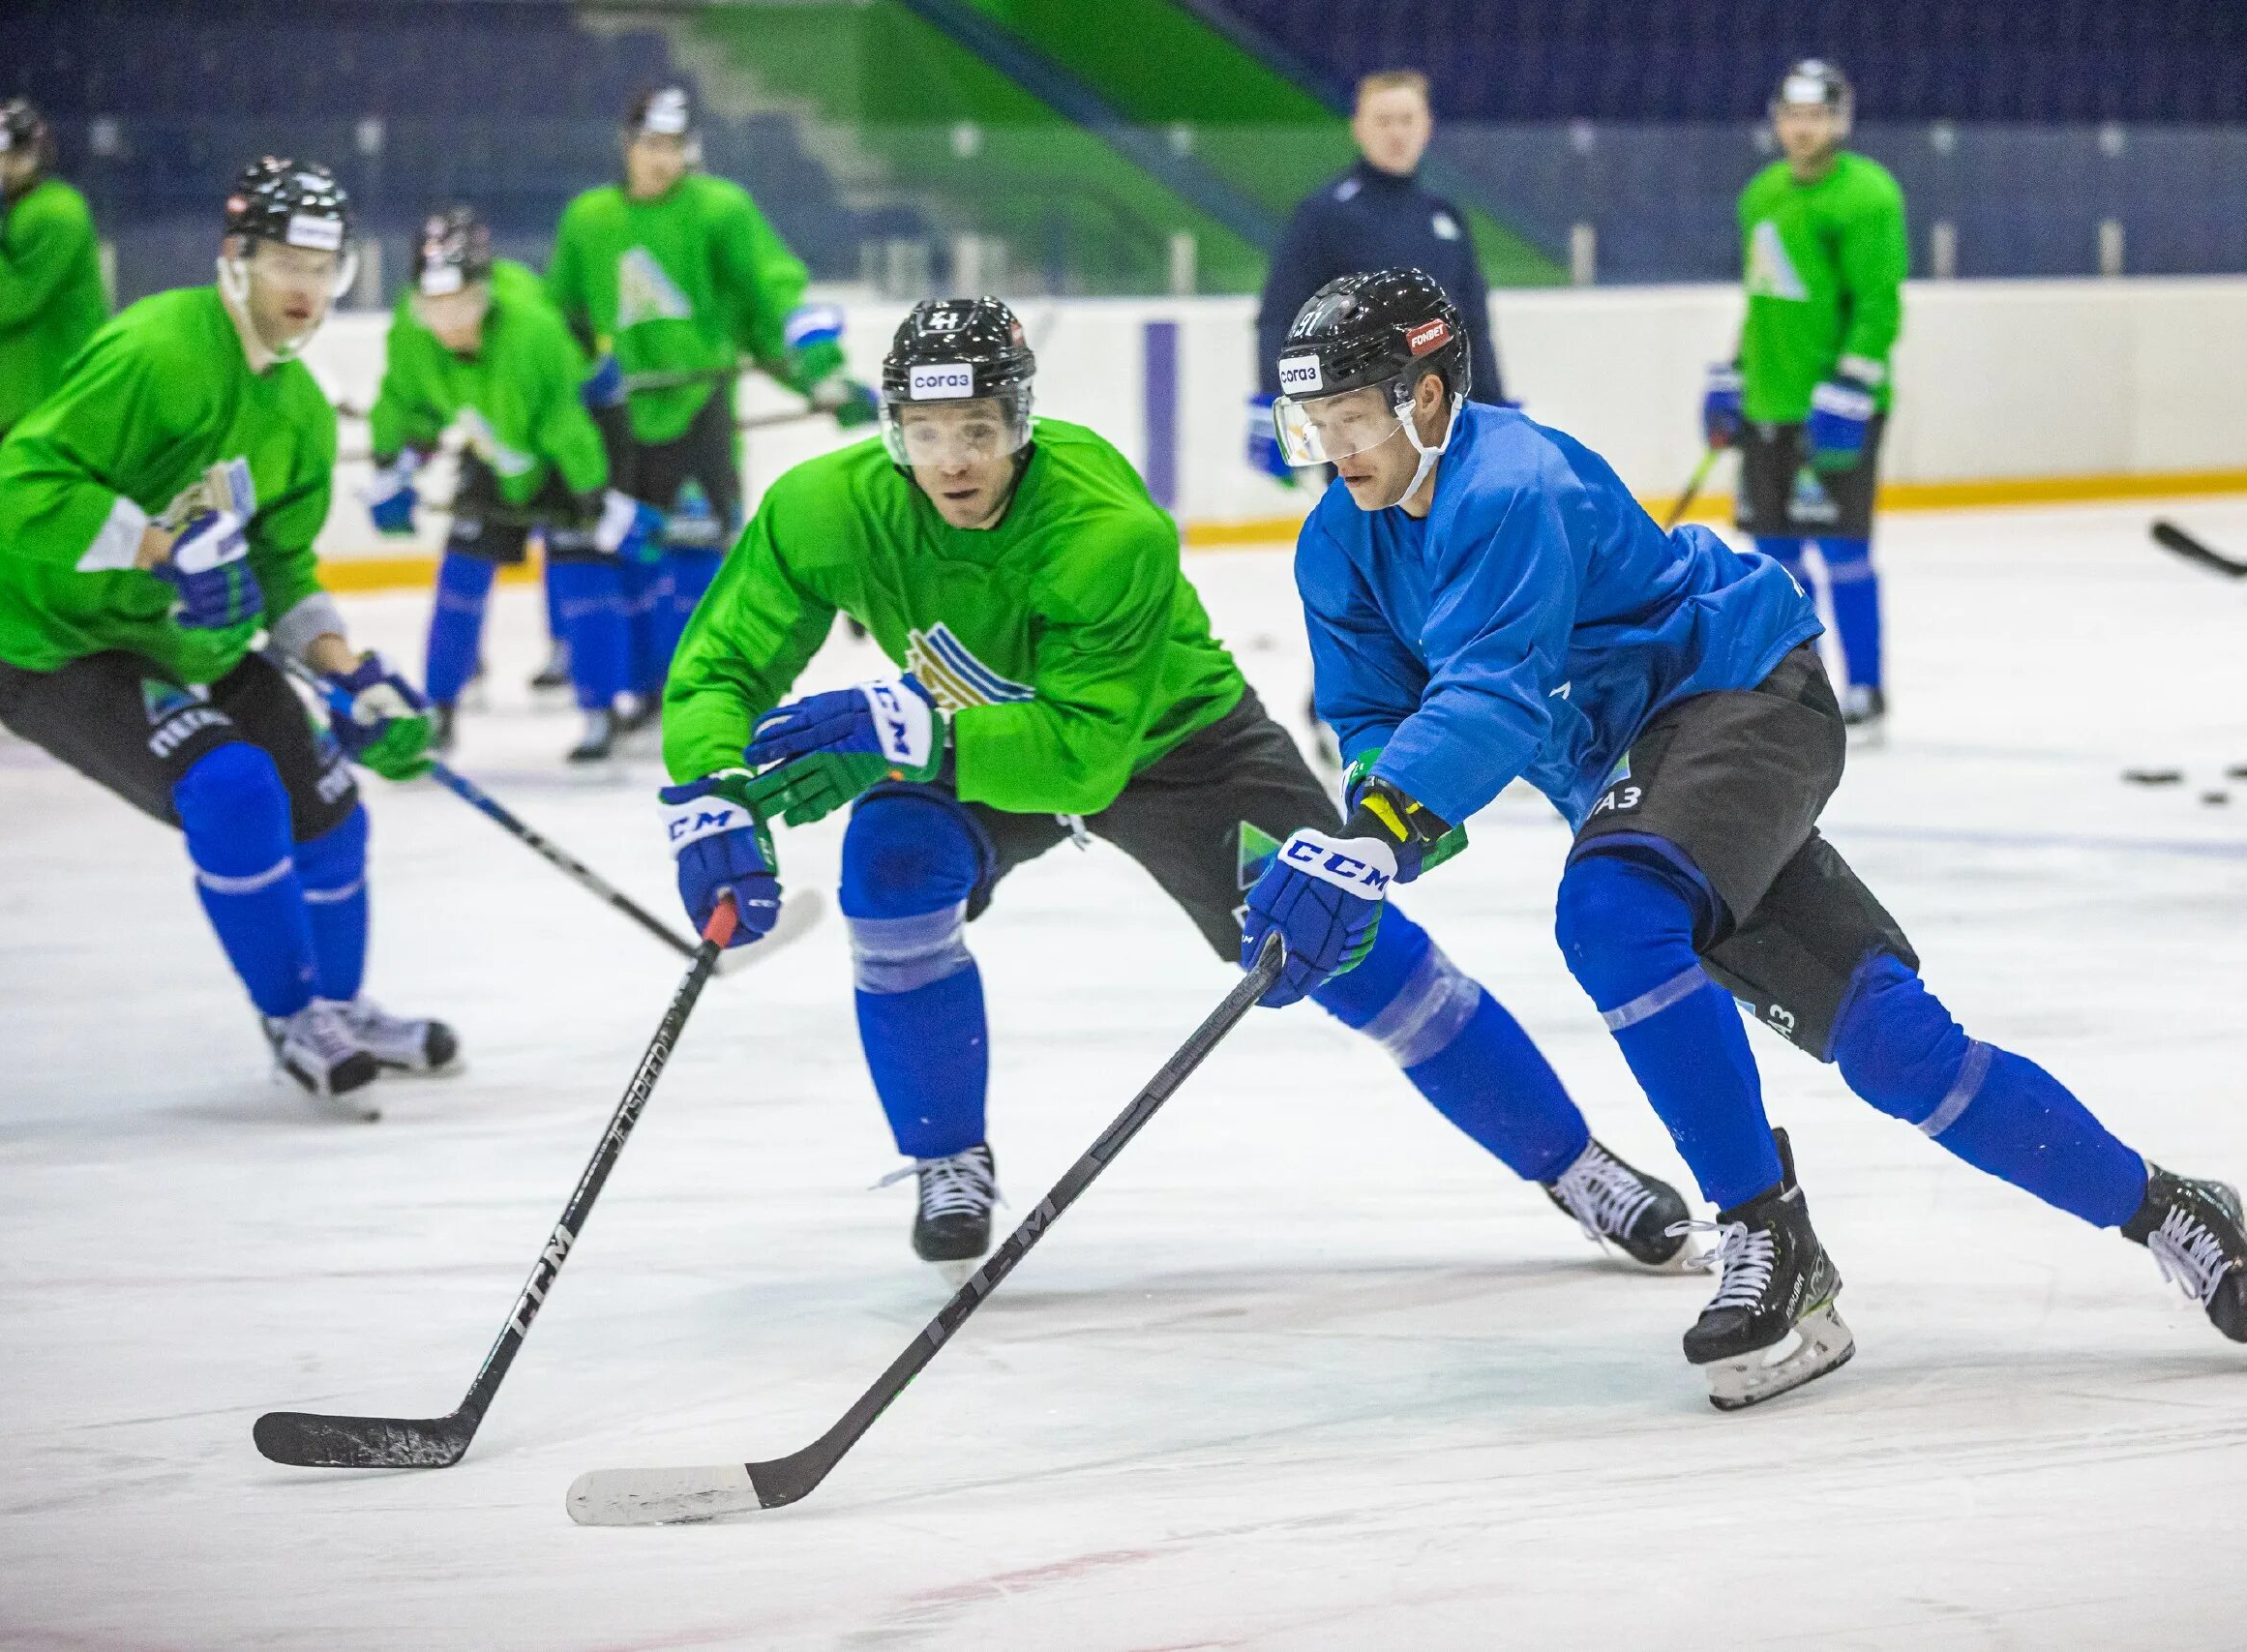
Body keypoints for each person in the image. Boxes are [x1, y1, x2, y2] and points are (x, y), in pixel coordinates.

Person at [1243, 268, 2247, 1411]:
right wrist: (1358, 832)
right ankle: (2173, 1209)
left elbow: (1492, 697)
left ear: (1431, 398)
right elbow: (1374, 721)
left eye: (1354, 414)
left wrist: (1383, 834)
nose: (1334, 445)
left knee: (1613, 914)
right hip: (1644, 776)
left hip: (1739, 693)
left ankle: (1768, 1238)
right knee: (1899, 1049)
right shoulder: (1335, 549)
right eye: (1317, 421)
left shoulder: (1510, 483)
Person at [655, 295, 1693, 1281]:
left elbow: (1084, 759)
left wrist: (909, 733)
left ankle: (1574, 1164)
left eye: (976, 427)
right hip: (961, 744)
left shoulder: (1105, 527)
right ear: (890, 433)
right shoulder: (823, 511)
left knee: (1337, 932)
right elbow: (720, 667)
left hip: (1175, 745)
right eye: (923, 435)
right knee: (886, 872)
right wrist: (711, 786)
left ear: (1021, 419)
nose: (954, 462)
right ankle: (945, 1161)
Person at [0, 159, 455, 1111]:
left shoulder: (303, 413)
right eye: (285, 261)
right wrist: (160, 550)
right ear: (235, 258)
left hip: (192, 637)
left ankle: (342, 1006)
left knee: (327, 804)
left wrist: (351, 673)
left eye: (326, 267)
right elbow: (25, 493)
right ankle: (290, 1017)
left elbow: (280, 569)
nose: (306, 290)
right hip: (62, 639)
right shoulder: (159, 349)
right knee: (232, 787)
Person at [547, 84, 875, 707]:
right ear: (627, 144)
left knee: (702, 559)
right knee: (631, 556)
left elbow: (769, 298)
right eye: (650, 144)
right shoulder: (588, 220)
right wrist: (569, 388)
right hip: (617, 417)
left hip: (700, 411)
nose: (660, 159)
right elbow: (560, 321)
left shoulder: (720, 210)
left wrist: (818, 371)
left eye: (673, 145)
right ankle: (643, 695)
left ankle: (706, 690)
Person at [365, 206, 661, 761]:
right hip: (493, 438)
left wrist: (594, 498)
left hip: (572, 437)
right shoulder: (410, 331)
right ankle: (439, 707)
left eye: (463, 304)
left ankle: (601, 711)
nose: (450, 322)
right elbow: (406, 402)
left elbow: (564, 426)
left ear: (486, 293)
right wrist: (391, 464)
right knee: (461, 571)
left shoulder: (535, 333)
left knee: (582, 575)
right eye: (435, 307)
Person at [1702, 61, 1905, 735]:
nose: (1802, 127)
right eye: (1791, 114)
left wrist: (1851, 385)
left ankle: (1869, 689)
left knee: (1844, 551)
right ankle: (1801, 691)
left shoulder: (1869, 196)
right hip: (1768, 405)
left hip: (1835, 413)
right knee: (1774, 560)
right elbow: (1764, 298)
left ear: (1839, 120)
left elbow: (1878, 305)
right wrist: (1734, 374)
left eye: (1815, 114)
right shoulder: (1761, 193)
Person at [1249, 70, 1506, 488]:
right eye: (1383, 121)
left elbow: (1473, 325)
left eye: (1407, 120)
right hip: (1356, 427)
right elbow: (1279, 317)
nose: (1396, 133)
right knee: (1370, 546)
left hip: (1446, 427)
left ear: (1427, 126)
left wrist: (1496, 410)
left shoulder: (1446, 218)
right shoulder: (1324, 215)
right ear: (1358, 128)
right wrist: (1275, 403)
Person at [0, 98, 107, 482]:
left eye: (10, 156)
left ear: (35, 155)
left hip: (49, 410)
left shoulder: (57, 212)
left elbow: (9, 302)